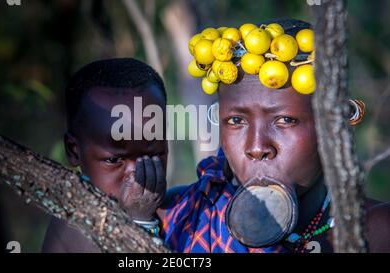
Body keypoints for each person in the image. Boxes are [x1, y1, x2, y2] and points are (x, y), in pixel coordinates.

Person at [159, 19, 390, 253]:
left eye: (285, 120)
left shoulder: (377, 233)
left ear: (332, 127)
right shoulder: (180, 216)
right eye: (236, 121)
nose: (257, 147)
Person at [42, 58, 168, 252]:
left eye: (154, 155)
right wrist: (139, 223)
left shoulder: (172, 207)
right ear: (74, 151)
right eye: (113, 160)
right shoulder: (75, 225)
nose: (136, 176)